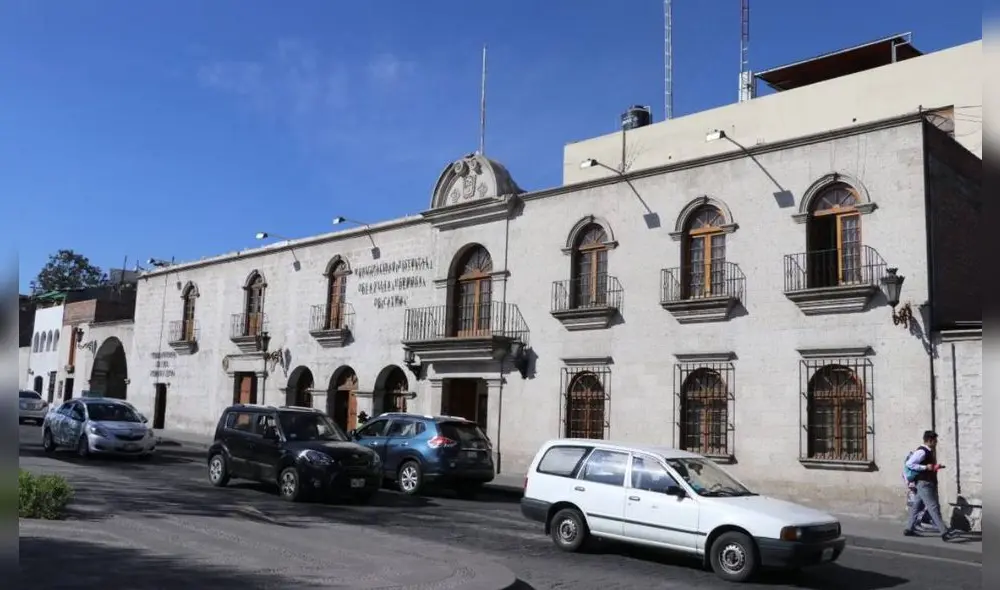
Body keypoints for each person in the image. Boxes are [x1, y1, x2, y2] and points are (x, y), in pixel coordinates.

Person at [903, 430, 957, 541]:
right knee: (933, 507)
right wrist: (925, 467)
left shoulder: (927, 452)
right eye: (935, 441)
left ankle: (909, 529)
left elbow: (927, 466)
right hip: (924, 483)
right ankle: (944, 532)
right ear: (930, 440)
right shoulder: (922, 452)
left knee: (917, 506)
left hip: (925, 482)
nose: (936, 443)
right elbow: (909, 464)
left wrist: (936, 467)